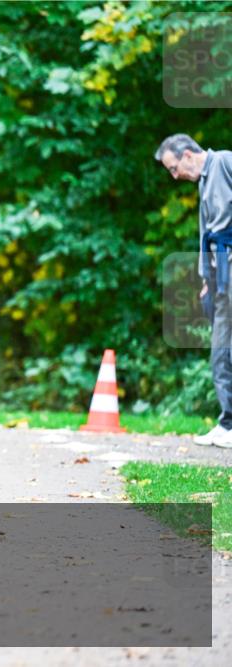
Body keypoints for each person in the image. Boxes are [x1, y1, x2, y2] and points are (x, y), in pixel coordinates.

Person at [155, 134, 232, 448]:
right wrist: (205, 278)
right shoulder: (203, 181)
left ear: (187, 154)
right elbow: (206, 234)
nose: (175, 176)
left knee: (221, 347)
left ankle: (228, 424)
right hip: (218, 273)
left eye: (174, 168)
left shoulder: (226, 162)